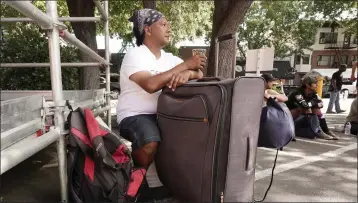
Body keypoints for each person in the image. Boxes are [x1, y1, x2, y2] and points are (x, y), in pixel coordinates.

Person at [116, 8, 205, 199]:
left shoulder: (170, 58)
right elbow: (150, 84)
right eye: (163, 24)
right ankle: (136, 178)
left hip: (164, 115)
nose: (169, 28)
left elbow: (200, 74)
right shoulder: (135, 55)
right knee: (150, 141)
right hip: (134, 114)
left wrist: (189, 73)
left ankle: (173, 185)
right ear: (148, 30)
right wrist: (186, 66)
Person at [285, 76, 339, 140]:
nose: (317, 84)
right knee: (307, 109)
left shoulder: (313, 93)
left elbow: (321, 104)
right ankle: (317, 131)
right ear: (307, 85)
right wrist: (313, 102)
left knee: (317, 110)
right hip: (288, 116)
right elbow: (305, 105)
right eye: (315, 83)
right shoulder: (297, 93)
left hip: (301, 116)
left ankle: (326, 130)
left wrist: (312, 103)